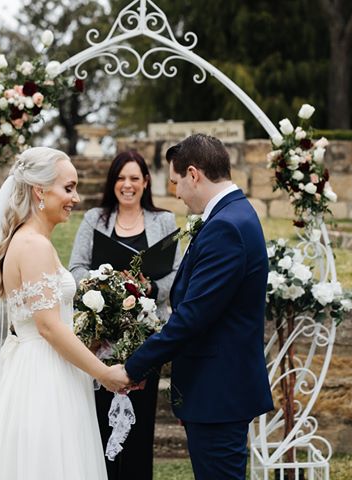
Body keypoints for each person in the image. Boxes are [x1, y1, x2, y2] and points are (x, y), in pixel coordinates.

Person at [0, 147, 128, 480]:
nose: (76, 198)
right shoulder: (34, 245)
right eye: (68, 188)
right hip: (44, 375)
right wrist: (104, 373)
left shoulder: (28, 241)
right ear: (40, 191)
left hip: (40, 366)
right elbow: (49, 328)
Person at [118, 134, 274, 480]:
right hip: (213, 390)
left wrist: (133, 368)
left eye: (175, 183)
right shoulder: (233, 215)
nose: (176, 193)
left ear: (193, 174)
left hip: (218, 392)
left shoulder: (227, 227)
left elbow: (192, 318)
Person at [69, 150, 181, 480]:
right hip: (100, 339)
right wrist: (109, 287)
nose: (127, 185)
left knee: (139, 426)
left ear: (146, 182)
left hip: (146, 338)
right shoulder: (95, 219)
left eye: (134, 178)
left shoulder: (164, 220)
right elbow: (75, 267)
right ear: (112, 183)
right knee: (100, 423)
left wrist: (143, 288)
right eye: (120, 178)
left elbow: (176, 273)